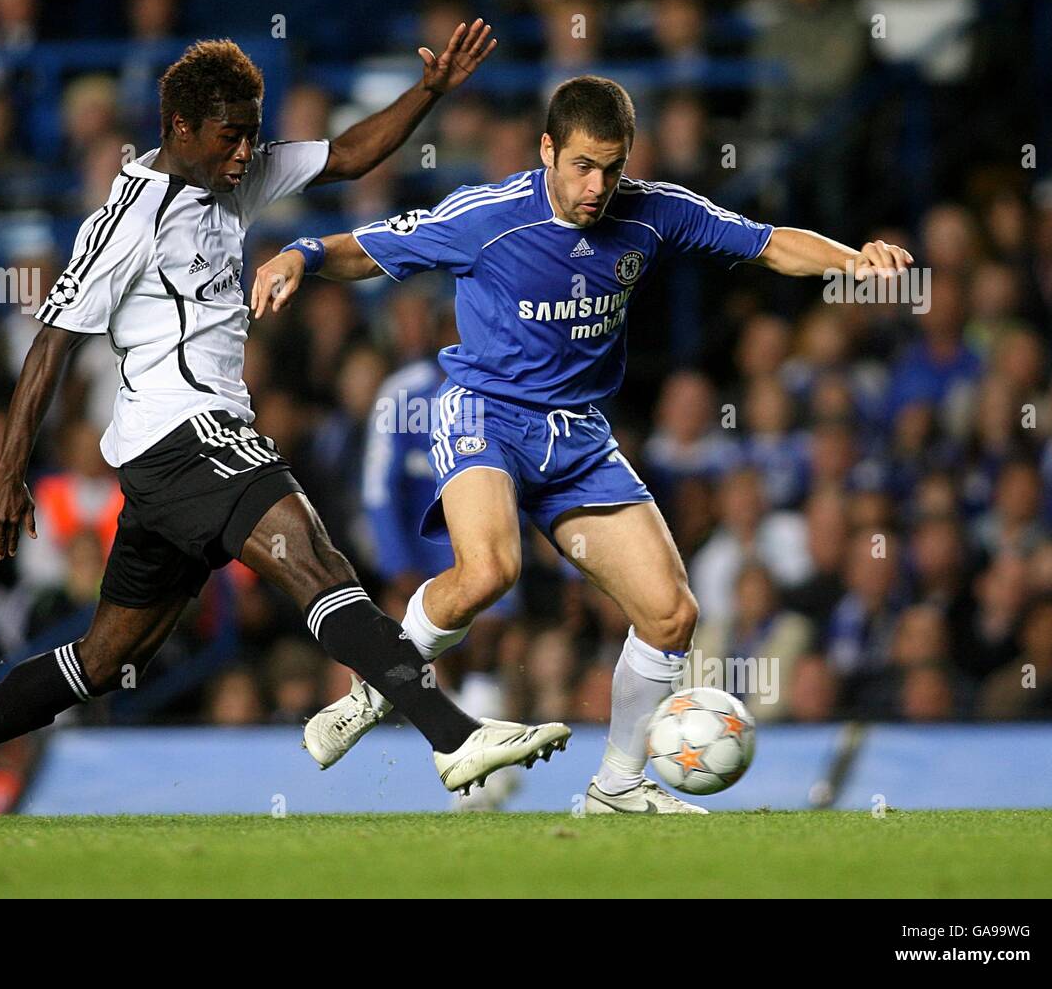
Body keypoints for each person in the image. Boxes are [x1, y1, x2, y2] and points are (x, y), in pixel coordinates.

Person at [0, 28, 572, 819]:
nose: (246, 153)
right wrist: (7, 471)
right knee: (315, 559)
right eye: (231, 137)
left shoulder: (235, 176)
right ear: (179, 129)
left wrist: (430, 92)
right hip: (185, 434)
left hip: (171, 460)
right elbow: (52, 342)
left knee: (100, 659)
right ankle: (453, 738)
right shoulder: (131, 216)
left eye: (252, 134)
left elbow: (346, 155)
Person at [253, 74, 913, 815]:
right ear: (547, 150)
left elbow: (766, 245)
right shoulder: (491, 217)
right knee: (489, 570)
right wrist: (301, 255)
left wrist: (852, 259)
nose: (598, 185)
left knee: (671, 614)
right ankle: (369, 695)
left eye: (613, 165)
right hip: (485, 413)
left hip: (578, 437)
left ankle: (617, 786)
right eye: (582, 166)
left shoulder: (654, 213)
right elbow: (373, 249)